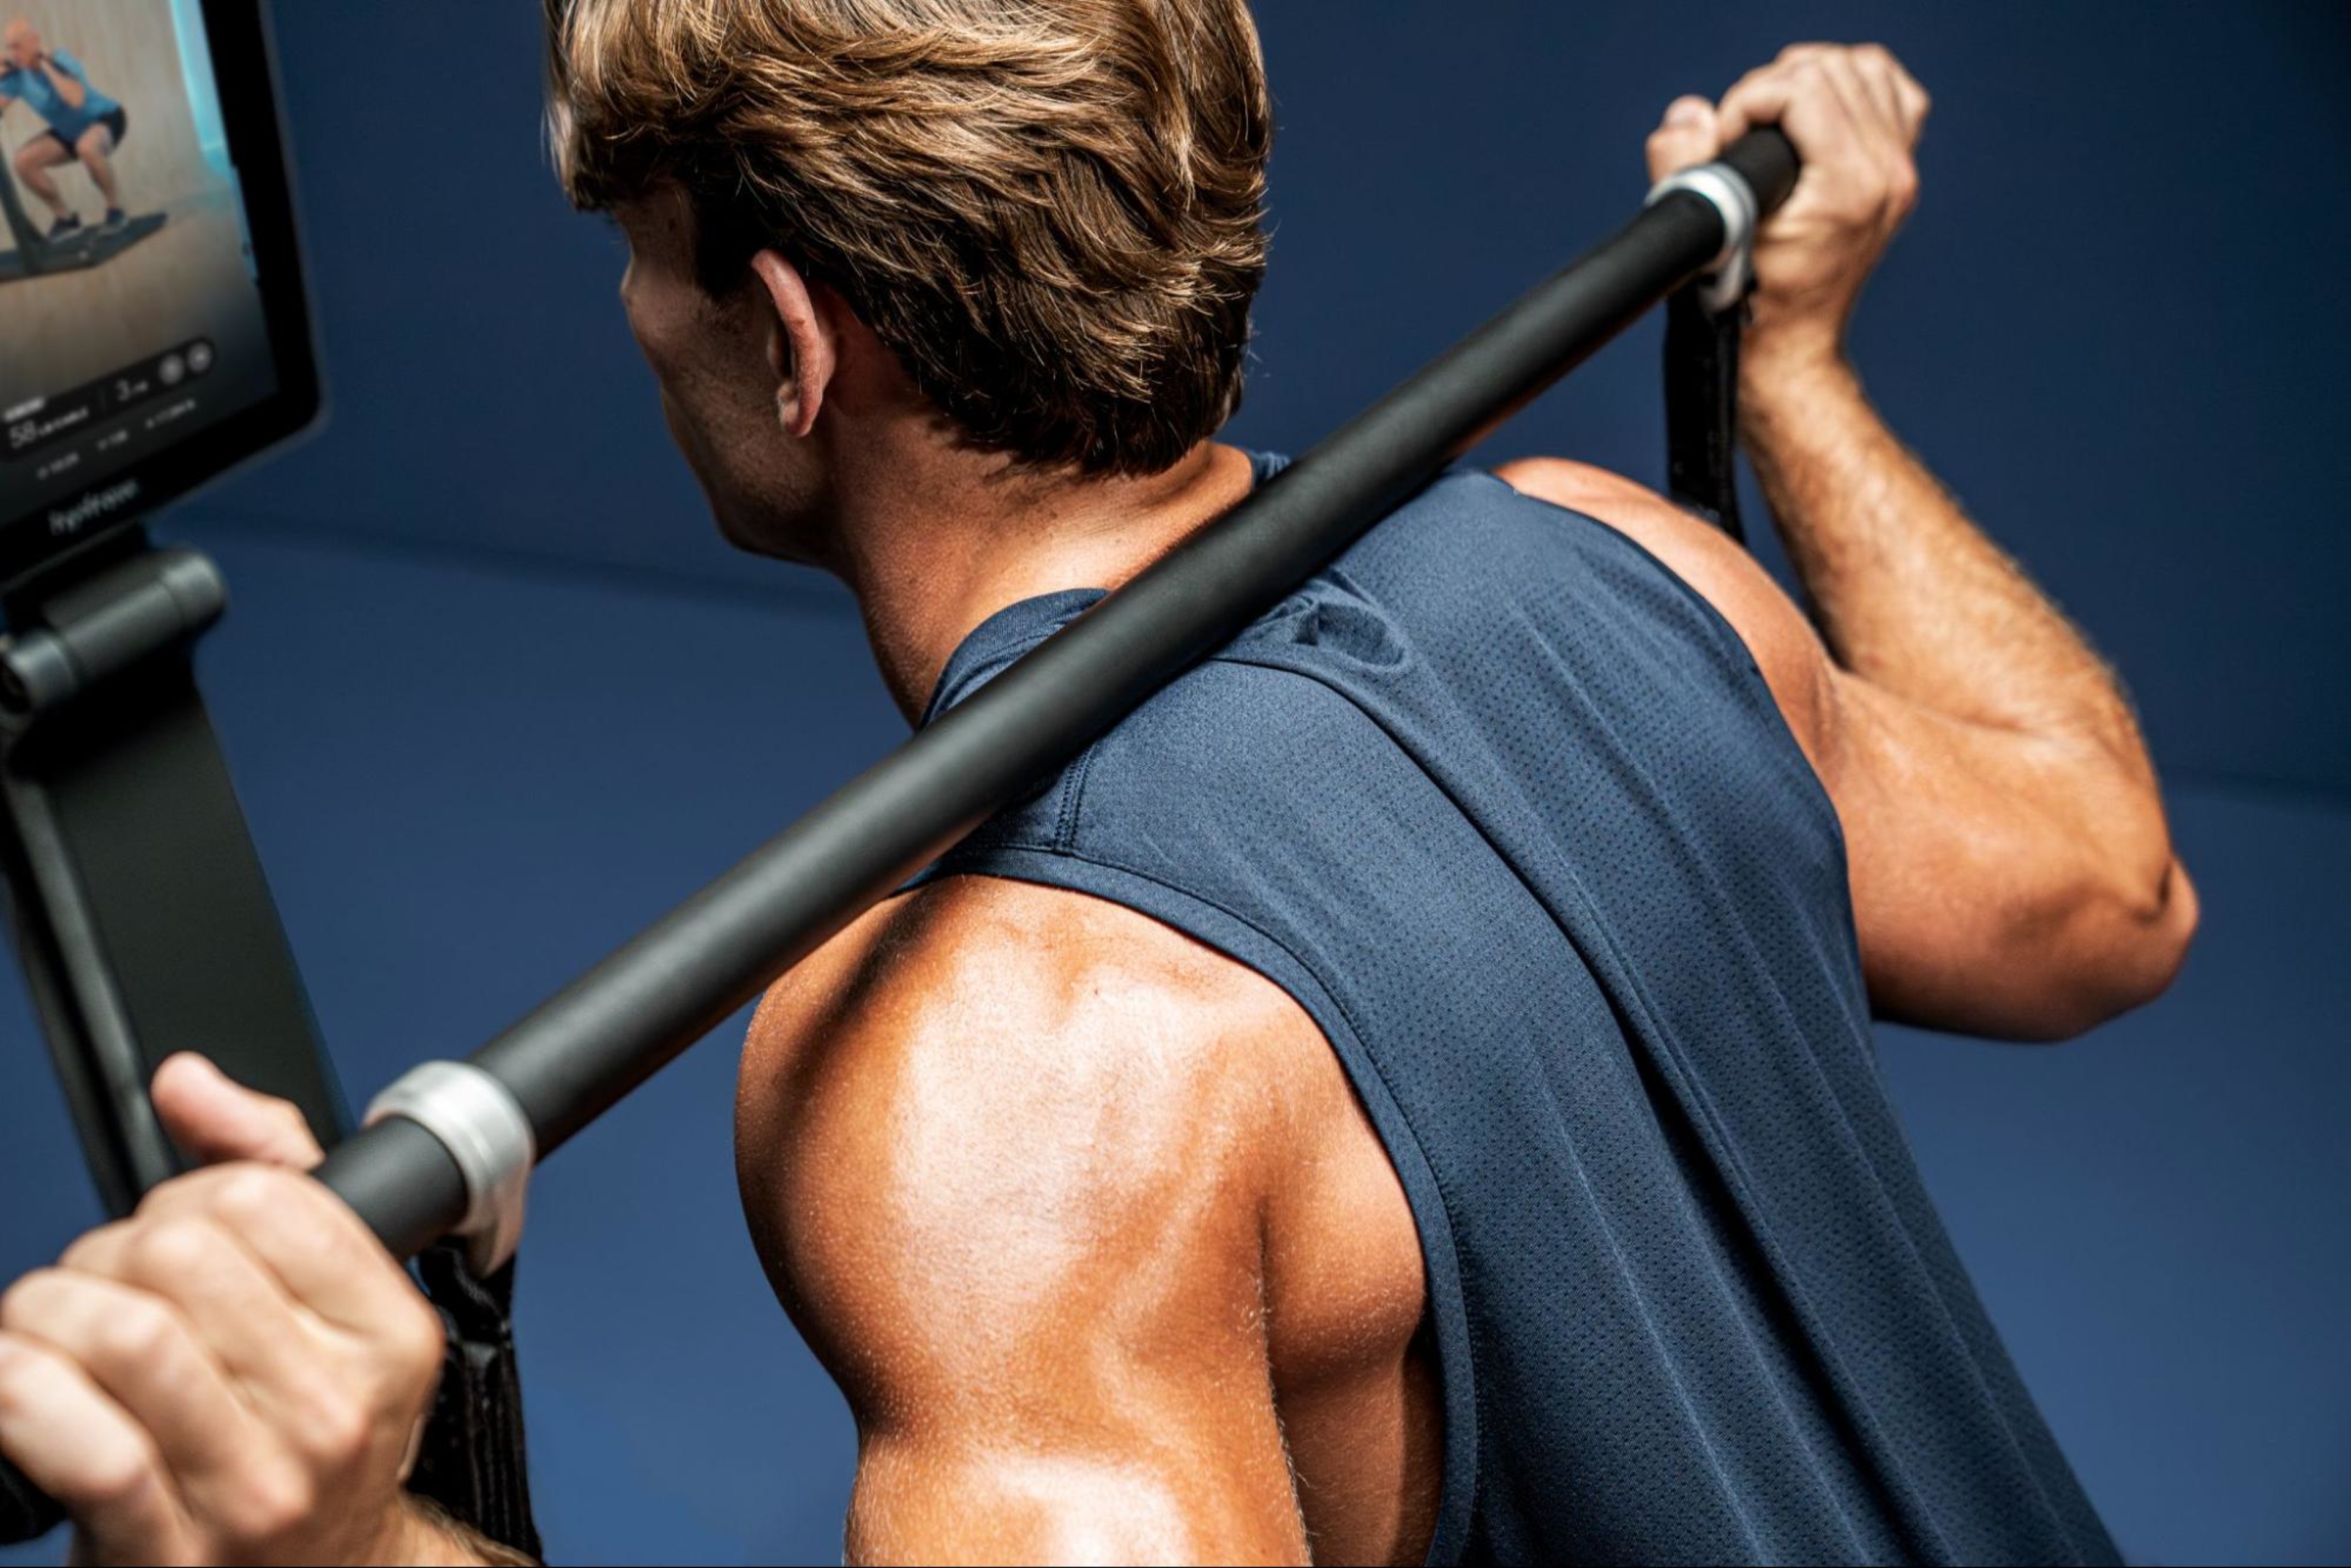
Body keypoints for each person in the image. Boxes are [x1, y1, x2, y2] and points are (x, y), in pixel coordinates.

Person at [0, 5, 2197, 1564]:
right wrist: (1794, 360)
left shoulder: (1004, 1074)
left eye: (640, 259)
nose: (632, 321)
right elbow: (2111, 885)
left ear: (791, 335)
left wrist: (347, 1546)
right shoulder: (1623, 557)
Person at [1, 17, 130, 242]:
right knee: (23, 162)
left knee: (87, 147)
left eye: (18, 46)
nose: (13, 53)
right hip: (68, 132)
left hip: (105, 119)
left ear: (35, 41)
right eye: (9, 47)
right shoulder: (16, 77)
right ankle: (66, 219)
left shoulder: (60, 59)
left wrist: (45, 64)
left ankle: (115, 210)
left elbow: (76, 100)